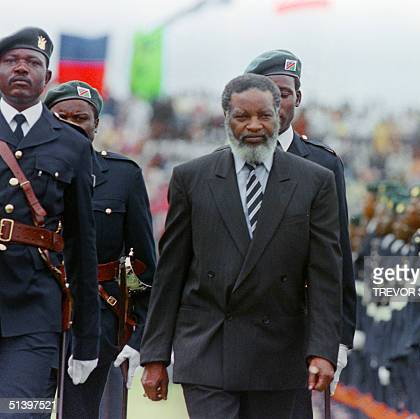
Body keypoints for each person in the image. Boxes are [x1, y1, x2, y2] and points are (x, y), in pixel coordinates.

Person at [139, 74, 342, 418]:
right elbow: (170, 272)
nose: (254, 125)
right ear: (226, 119)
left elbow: (325, 274)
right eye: (242, 116)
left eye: (264, 115)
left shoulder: (315, 181)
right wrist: (154, 355)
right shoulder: (191, 178)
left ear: (279, 116)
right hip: (207, 348)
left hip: (278, 351)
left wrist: (323, 350)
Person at [244, 51, 355, 404]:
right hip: (239, 324)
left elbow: (338, 254)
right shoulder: (227, 160)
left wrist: (339, 339)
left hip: (298, 327)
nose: (277, 103)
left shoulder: (323, 164)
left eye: (285, 94)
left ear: (299, 98)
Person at [43, 81, 157, 418]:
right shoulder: (23, 174)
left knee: (80, 413)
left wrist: (140, 337)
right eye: (61, 117)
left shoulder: (124, 175)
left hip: (98, 320)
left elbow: (143, 266)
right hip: (34, 314)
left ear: (96, 125)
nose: (72, 124)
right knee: (21, 408)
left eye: (82, 118)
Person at [0, 28, 99, 411]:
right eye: (11, 61)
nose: (21, 68)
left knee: (21, 412)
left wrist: (86, 340)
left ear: (48, 77)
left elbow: (81, 244)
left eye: (33, 62)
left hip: (34, 311)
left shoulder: (72, 144)